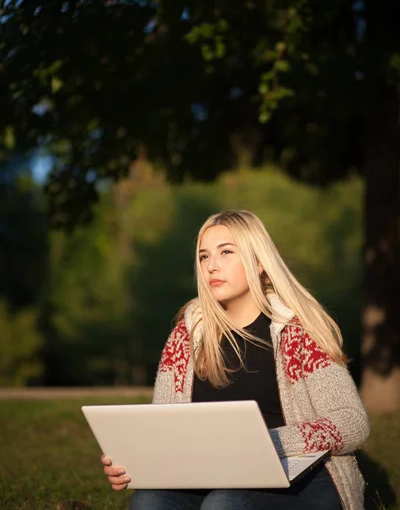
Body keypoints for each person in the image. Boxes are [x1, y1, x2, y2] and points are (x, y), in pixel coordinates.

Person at [101, 209, 370, 510]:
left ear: (259, 263)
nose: (212, 266)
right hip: (213, 475)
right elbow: (167, 429)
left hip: (302, 476)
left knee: (224, 503)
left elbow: (352, 422)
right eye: (204, 257)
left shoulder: (297, 331)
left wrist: (267, 443)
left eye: (226, 252)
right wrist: (138, 460)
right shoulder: (187, 334)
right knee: (147, 501)